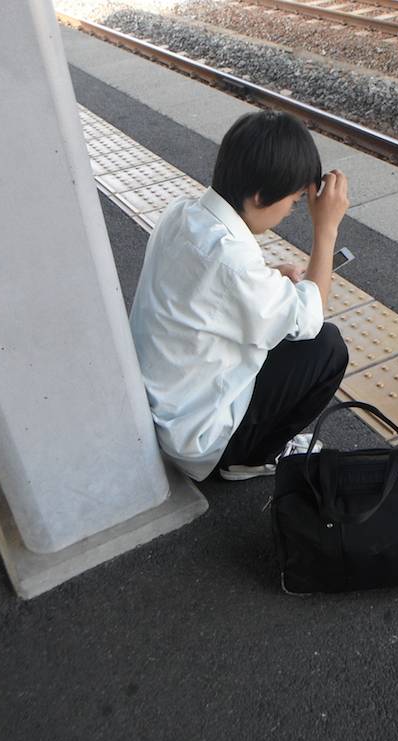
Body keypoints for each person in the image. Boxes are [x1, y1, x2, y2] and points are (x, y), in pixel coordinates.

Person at [129, 111, 350, 481]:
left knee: (290, 331)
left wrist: (268, 278)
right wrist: (325, 230)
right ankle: (249, 457)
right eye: (294, 202)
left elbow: (206, 289)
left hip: (156, 403)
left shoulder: (180, 214)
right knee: (326, 348)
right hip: (198, 437)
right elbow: (309, 320)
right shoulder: (234, 263)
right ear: (262, 196)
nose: (291, 211)